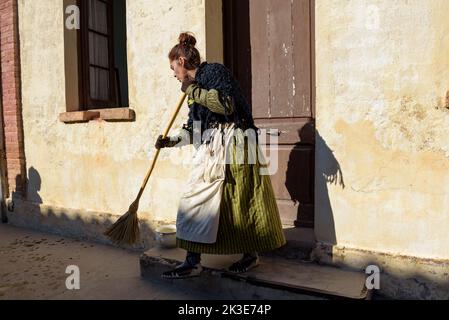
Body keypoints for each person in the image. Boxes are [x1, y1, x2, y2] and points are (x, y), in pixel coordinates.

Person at [155, 32, 286, 279]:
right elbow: (194, 129)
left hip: (236, 143)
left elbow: (226, 105)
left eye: (173, 68)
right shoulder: (191, 93)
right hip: (211, 148)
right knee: (194, 201)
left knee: (239, 201)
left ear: (182, 62)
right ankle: (192, 261)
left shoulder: (214, 72)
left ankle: (250, 255)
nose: (173, 75)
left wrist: (193, 90)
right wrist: (170, 141)